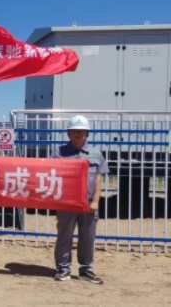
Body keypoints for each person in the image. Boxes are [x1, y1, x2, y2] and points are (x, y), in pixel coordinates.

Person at [51, 115, 107, 284]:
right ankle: (63, 269)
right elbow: (52, 175)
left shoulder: (96, 154)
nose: (77, 134)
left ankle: (86, 270)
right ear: (68, 133)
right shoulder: (58, 153)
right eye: (74, 131)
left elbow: (98, 179)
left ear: (87, 133)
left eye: (81, 131)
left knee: (88, 237)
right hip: (66, 203)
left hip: (88, 203)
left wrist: (95, 201)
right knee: (64, 236)